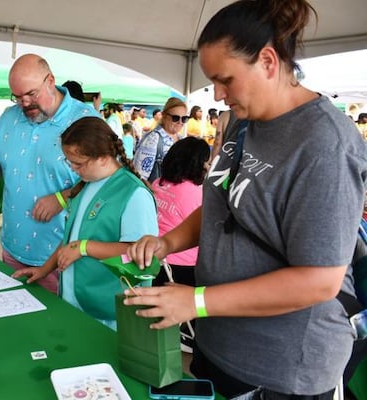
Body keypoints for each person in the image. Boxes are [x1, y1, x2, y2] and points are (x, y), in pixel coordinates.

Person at [125, 0, 367, 398]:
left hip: (280, 368)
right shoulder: (244, 120)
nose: (218, 95)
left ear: (268, 62)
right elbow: (224, 205)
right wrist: (168, 242)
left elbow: (319, 281)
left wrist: (197, 301)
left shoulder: (325, 145)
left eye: (225, 80)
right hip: (218, 343)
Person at [13, 117, 158, 329]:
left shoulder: (134, 193)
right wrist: (45, 269)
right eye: (69, 162)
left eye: (78, 163)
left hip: (108, 311)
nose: (73, 169)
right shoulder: (85, 185)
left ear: (102, 157)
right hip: (75, 300)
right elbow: (70, 238)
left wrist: (84, 248)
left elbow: (138, 253)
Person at [0, 54, 97, 293]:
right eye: (17, 97)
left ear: (50, 80)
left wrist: (62, 198)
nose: (25, 103)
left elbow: (105, 182)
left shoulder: (85, 121)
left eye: (31, 94)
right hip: (12, 247)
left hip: (62, 257)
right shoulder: (10, 117)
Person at [151, 137, 210, 288]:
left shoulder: (158, 183)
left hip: (155, 257)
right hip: (184, 266)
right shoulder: (196, 193)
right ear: (199, 164)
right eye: (207, 161)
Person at [133, 97, 187, 182]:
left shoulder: (182, 140)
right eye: (175, 118)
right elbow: (140, 176)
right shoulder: (153, 139)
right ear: (164, 116)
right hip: (156, 193)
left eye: (184, 118)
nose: (180, 122)